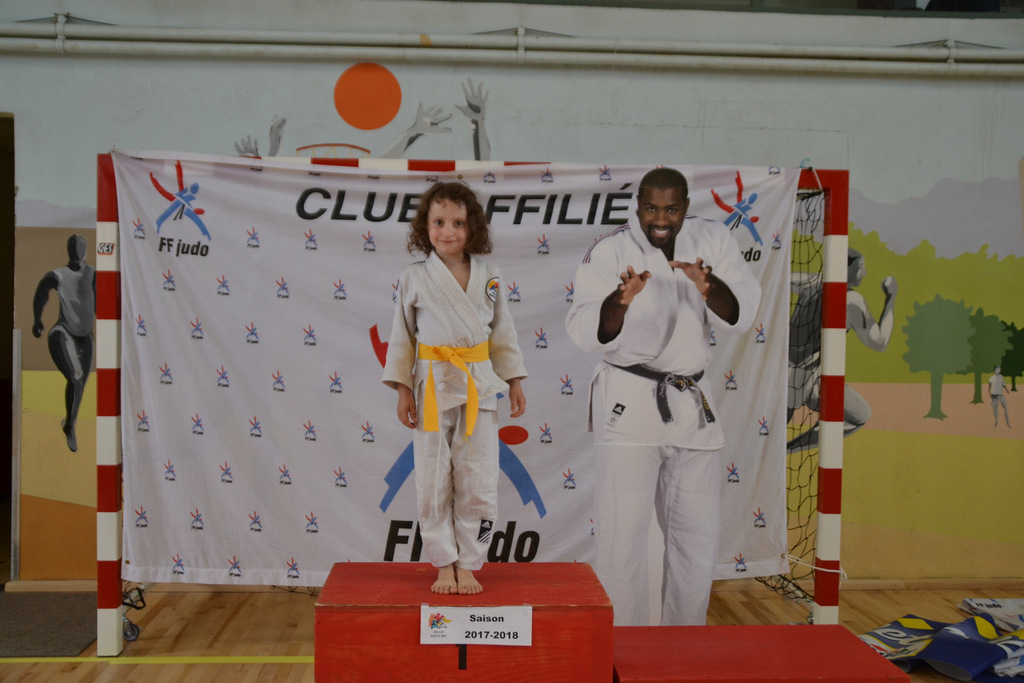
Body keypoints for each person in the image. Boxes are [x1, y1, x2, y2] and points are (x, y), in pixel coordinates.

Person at [565, 167, 761, 626]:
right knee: (622, 536)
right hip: (629, 397)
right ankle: (623, 645)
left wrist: (708, 286)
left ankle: (683, 644)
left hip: (691, 399)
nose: (660, 219)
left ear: (685, 207)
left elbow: (743, 313)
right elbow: (585, 330)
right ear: (638, 206)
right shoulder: (610, 250)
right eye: (651, 208)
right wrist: (620, 299)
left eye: (671, 209)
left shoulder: (713, 239)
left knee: (696, 537)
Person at [383, 181, 527, 595]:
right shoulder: (414, 277)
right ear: (424, 226)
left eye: (458, 223)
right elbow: (402, 337)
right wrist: (403, 390)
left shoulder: (489, 274)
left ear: (472, 227)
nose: (448, 231)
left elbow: (502, 332)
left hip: (479, 383)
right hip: (431, 384)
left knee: (477, 475)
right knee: (432, 477)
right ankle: (444, 562)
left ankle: (469, 562)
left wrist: (514, 380)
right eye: (439, 222)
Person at [787, 248, 897, 450]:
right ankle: (789, 449)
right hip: (808, 382)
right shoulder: (852, 300)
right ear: (845, 268)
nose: (864, 273)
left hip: (785, 374)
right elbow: (880, 342)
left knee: (766, 436)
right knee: (859, 416)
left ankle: (782, 450)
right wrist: (890, 298)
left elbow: (781, 281)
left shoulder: (811, 281)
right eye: (860, 268)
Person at [32, 234, 96, 453]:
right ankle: (70, 428)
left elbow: (101, 300)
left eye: (80, 247)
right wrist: (37, 320)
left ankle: (69, 424)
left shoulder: (93, 274)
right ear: (69, 250)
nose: (77, 251)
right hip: (62, 332)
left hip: (86, 338)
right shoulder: (58, 275)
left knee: (81, 385)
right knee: (76, 378)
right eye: (73, 247)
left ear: (85, 250)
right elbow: (42, 291)